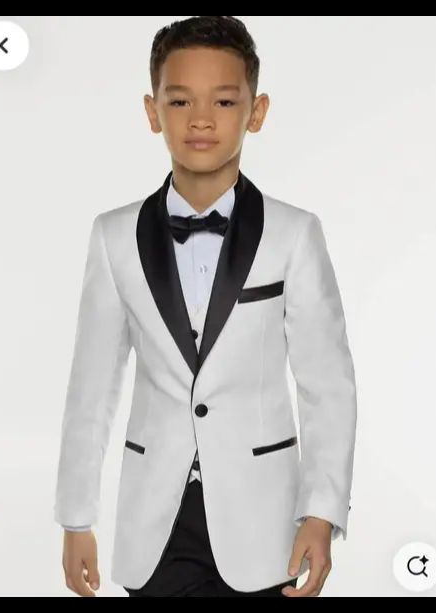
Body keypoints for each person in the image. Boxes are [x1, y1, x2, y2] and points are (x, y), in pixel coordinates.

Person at [54, 15, 357, 598]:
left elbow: (327, 386)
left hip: (264, 522)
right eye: (179, 101)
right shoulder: (113, 236)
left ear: (256, 111)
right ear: (152, 112)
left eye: (223, 100)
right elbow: (90, 387)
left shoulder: (294, 234)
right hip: (154, 524)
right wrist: (76, 517)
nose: (200, 119)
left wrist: (322, 512)